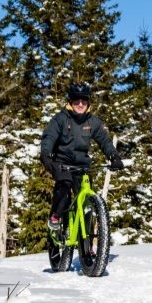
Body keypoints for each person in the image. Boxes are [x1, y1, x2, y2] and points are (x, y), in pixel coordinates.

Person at [40, 83, 122, 232]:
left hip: (82, 165)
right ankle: (55, 216)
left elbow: (104, 140)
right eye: (76, 101)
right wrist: (46, 155)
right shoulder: (60, 119)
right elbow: (49, 137)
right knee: (64, 184)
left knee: (86, 203)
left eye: (83, 101)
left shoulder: (93, 121)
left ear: (88, 102)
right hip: (62, 163)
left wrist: (114, 156)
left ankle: (88, 246)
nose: (80, 104)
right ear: (70, 102)